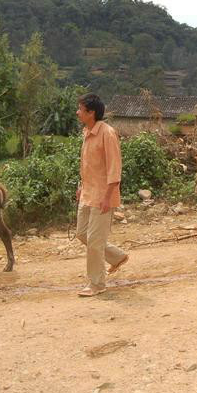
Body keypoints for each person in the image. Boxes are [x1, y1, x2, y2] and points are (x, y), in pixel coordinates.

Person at [74, 93, 129, 296]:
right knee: (82, 233)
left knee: (95, 242)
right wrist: (81, 186)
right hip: (88, 193)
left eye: (81, 109)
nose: (77, 112)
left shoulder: (107, 133)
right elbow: (86, 164)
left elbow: (115, 169)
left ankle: (96, 284)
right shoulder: (87, 132)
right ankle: (116, 257)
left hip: (103, 196)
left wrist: (108, 197)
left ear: (91, 112)